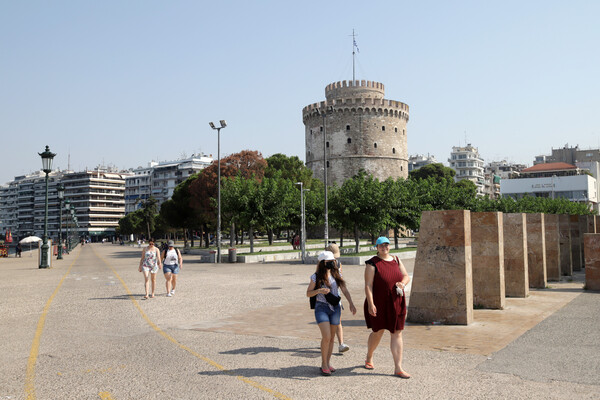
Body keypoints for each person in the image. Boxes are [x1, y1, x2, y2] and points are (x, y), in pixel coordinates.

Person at [364, 236, 411, 378]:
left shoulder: (396, 259)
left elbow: (405, 275)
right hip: (379, 302)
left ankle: (398, 368)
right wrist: (371, 303)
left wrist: (403, 283)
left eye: (386, 245)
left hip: (396, 301)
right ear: (377, 247)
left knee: (397, 332)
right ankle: (369, 356)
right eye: (381, 245)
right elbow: (368, 285)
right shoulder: (372, 263)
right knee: (378, 331)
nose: (384, 247)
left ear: (389, 246)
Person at [307, 251, 356, 376]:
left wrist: (351, 303)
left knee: (332, 337)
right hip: (321, 307)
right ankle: (323, 364)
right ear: (323, 263)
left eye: (333, 261)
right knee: (327, 336)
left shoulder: (336, 273)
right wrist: (319, 290)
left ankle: (328, 363)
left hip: (335, 308)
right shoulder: (316, 276)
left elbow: (344, 289)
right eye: (329, 261)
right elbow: (308, 293)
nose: (333, 263)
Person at [325, 243, 350, 353]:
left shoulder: (338, 263)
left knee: (338, 321)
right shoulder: (322, 264)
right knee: (327, 322)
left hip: (336, 296)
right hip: (324, 297)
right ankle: (328, 341)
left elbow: (341, 279)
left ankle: (341, 343)